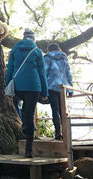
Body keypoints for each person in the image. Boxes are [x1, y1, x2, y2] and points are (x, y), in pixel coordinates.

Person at [6, 28, 48, 158]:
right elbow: (42, 73)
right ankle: (28, 150)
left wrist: (8, 85)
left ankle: (23, 126)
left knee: (19, 108)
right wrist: (45, 92)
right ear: (33, 39)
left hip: (18, 86)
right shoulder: (37, 51)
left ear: (24, 38)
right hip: (33, 87)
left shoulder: (15, 49)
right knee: (29, 114)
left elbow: (10, 69)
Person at [44, 43, 73, 140]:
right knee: (63, 111)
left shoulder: (47, 57)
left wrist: (43, 88)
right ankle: (66, 134)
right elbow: (68, 73)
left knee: (55, 110)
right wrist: (70, 89)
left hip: (52, 86)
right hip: (63, 87)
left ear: (49, 49)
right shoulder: (64, 57)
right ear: (58, 49)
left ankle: (57, 133)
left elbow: (44, 72)